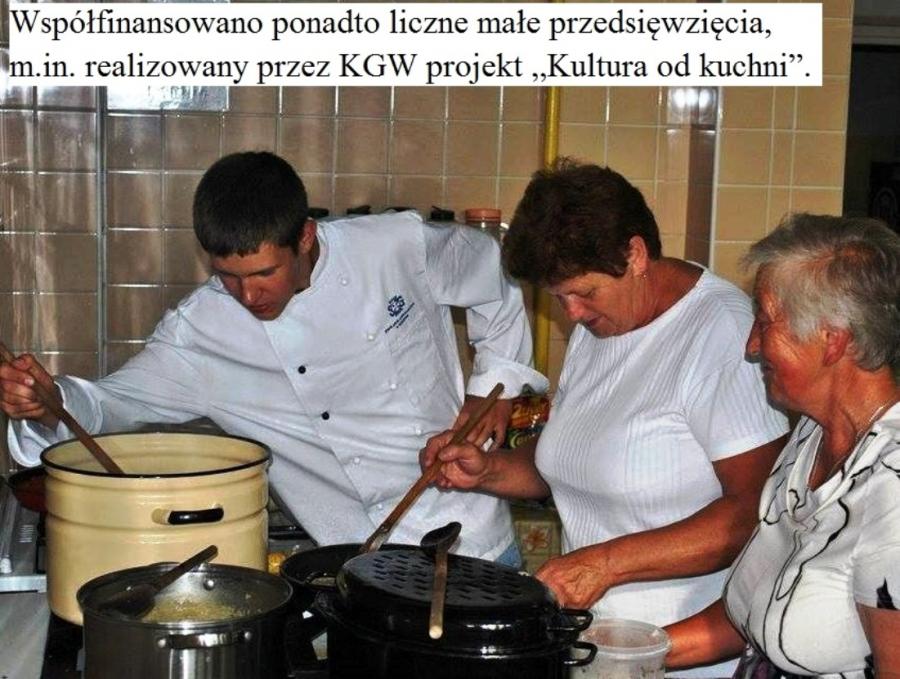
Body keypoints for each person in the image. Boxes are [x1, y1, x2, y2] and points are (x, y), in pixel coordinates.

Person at [0, 151, 548, 563]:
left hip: (469, 541)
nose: (249, 295)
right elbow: (109, 406)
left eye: (264, 273)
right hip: (356, 564)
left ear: (305, 237)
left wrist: (491, 389)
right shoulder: (201, 331)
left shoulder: (392, 247)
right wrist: (51, 402)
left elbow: (490, 267)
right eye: (228, 277)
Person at [422, 159, 788, 676]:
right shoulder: (601, 326)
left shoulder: (719, 332)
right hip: (597, 647)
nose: (571, 313)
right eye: (559, 297)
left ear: (634, 255)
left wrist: (606, 564)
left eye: (584, 292)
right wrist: (487, 471)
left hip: (687, 652)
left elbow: (756, 512)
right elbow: (580, 458)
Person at [664, 214, 900, 677]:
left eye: (766, 321)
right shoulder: (812, 435)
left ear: (832, 340)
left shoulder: (892, 486)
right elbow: (757, 614)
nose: (752, 346)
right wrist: (617, 647)